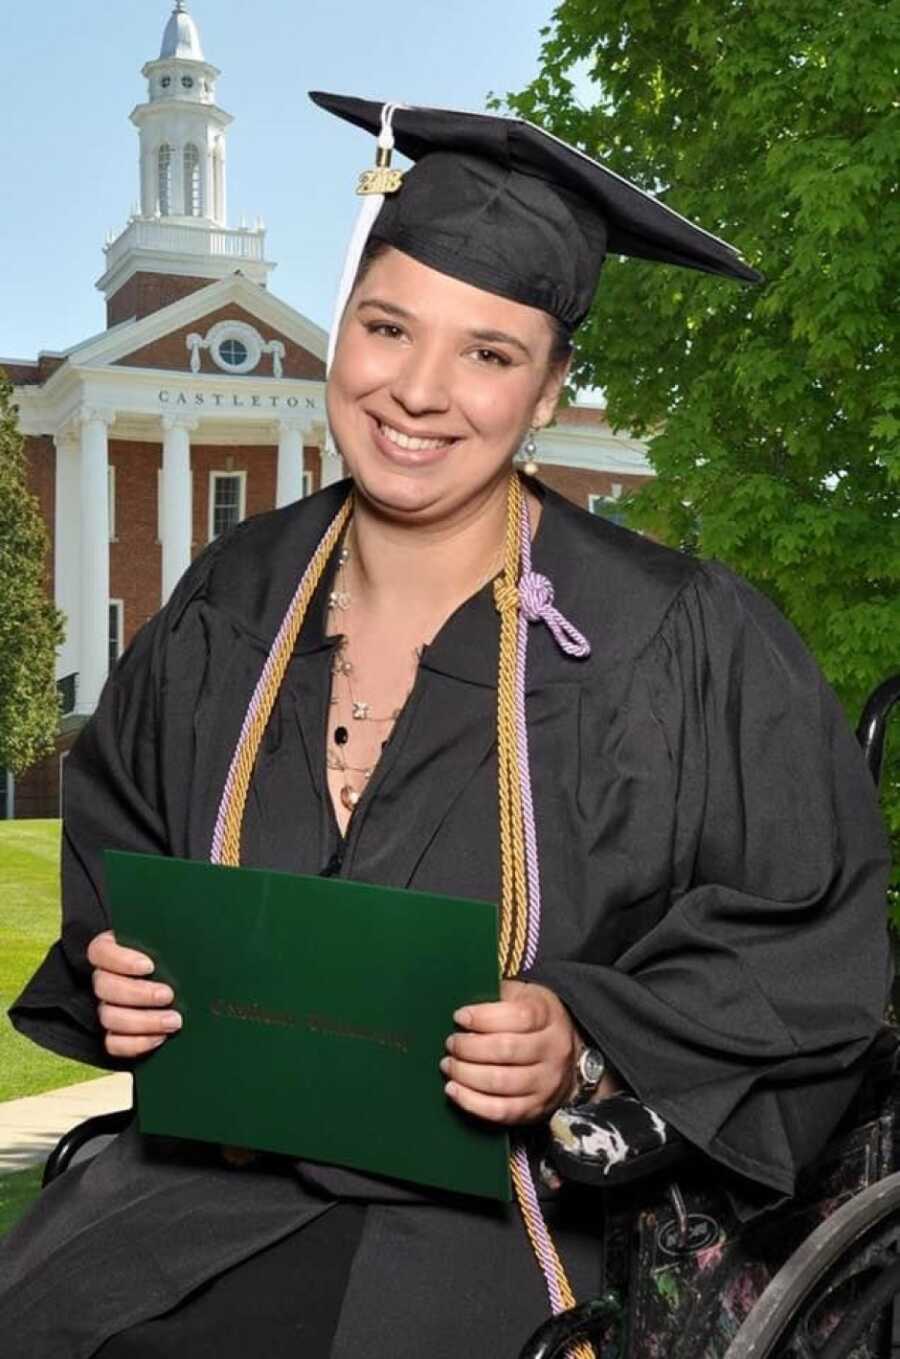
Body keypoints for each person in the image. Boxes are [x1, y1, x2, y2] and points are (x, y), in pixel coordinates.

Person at [0, 93, 891, 1359]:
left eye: (488, 352)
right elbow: (119, 864)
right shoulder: (230, 602)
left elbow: (809, 954)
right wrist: (124, 978)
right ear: (342, 332)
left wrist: (586, 1041)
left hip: (526, 1228)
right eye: (387, 327)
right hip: (188, 1202)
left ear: (549, 388)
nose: (418, 392)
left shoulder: (681, 639)